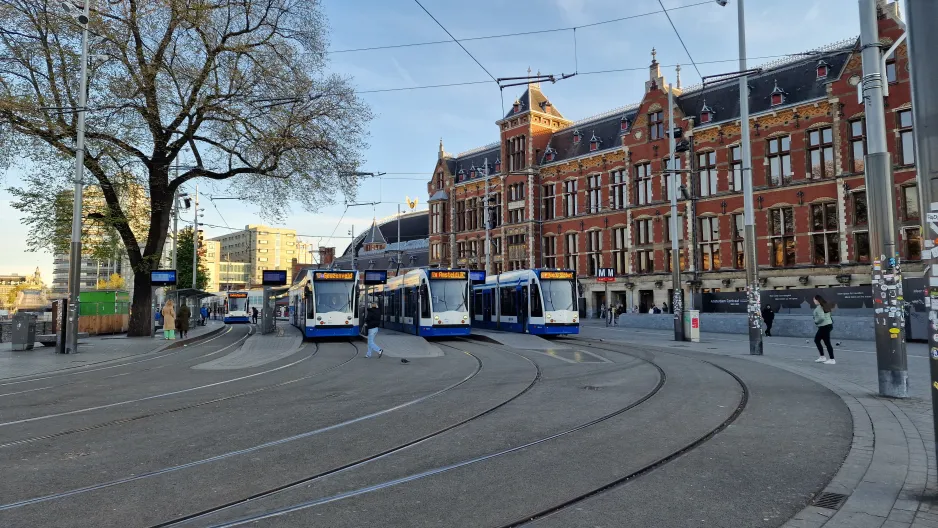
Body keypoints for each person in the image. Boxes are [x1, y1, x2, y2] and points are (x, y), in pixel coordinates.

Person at [812, 295, 835, 364]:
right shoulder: (825, 305)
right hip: (828, 325)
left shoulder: (819, 307)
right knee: (825, 342)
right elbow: (829, 315)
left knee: (818, 340)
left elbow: (821, 318)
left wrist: (816, 321)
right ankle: (825, 357)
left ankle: (830, 359)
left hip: (824, 326)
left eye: (814, 300)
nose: (814, 301)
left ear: (817, 300)